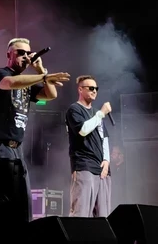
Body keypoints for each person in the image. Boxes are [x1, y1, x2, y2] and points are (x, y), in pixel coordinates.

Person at [0, 37, 70, 174]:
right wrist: (44, 77)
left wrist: (40, 70)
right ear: (9, 55)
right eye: (21, 53)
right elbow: (10, 83)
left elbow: (50, 95)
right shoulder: (0, 74)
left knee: (20, 187)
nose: (26, 57)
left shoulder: (27, 83)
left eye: (28, 53)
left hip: (17, 148)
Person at [65, 75, 112, 217]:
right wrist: (101, 113)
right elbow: (83, 130)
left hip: (101, 168)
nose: (94, 91)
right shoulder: (74, 109)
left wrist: (107, 161)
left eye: (96, 88)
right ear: (80, 89)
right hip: (84, 164)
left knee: (103, 215)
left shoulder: (96, 113)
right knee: (81, 212)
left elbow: (104, 138)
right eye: (91, 88)